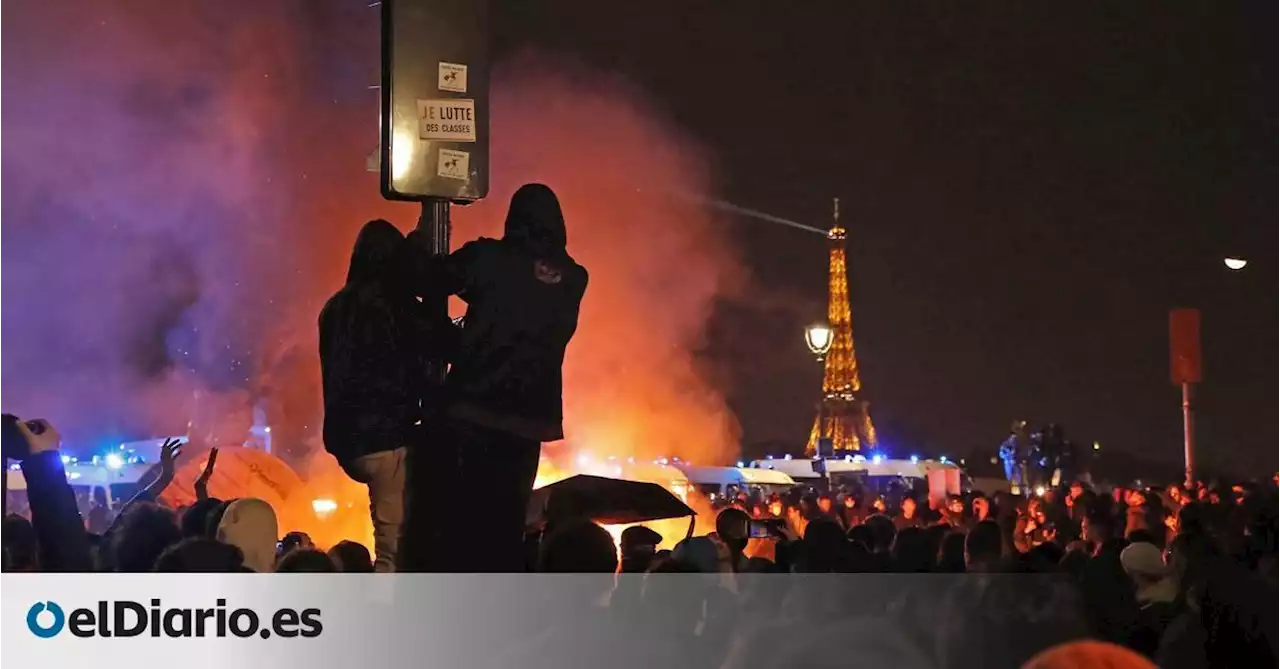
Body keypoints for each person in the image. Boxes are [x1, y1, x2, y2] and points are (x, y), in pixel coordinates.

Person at [407, 184, 588, 572]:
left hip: (472, 411)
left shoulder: (488, 258)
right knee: (506, 525)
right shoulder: (575, 279)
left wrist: (420, 246)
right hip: (528, 424)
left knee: (458, 524)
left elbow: (428, 280)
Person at [320, 220, 439, 572]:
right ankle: (388, 619)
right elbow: (432, 345)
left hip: (347, 441)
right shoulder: (393, 306)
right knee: (394, 548)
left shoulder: (334, 307)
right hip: (386, 437)